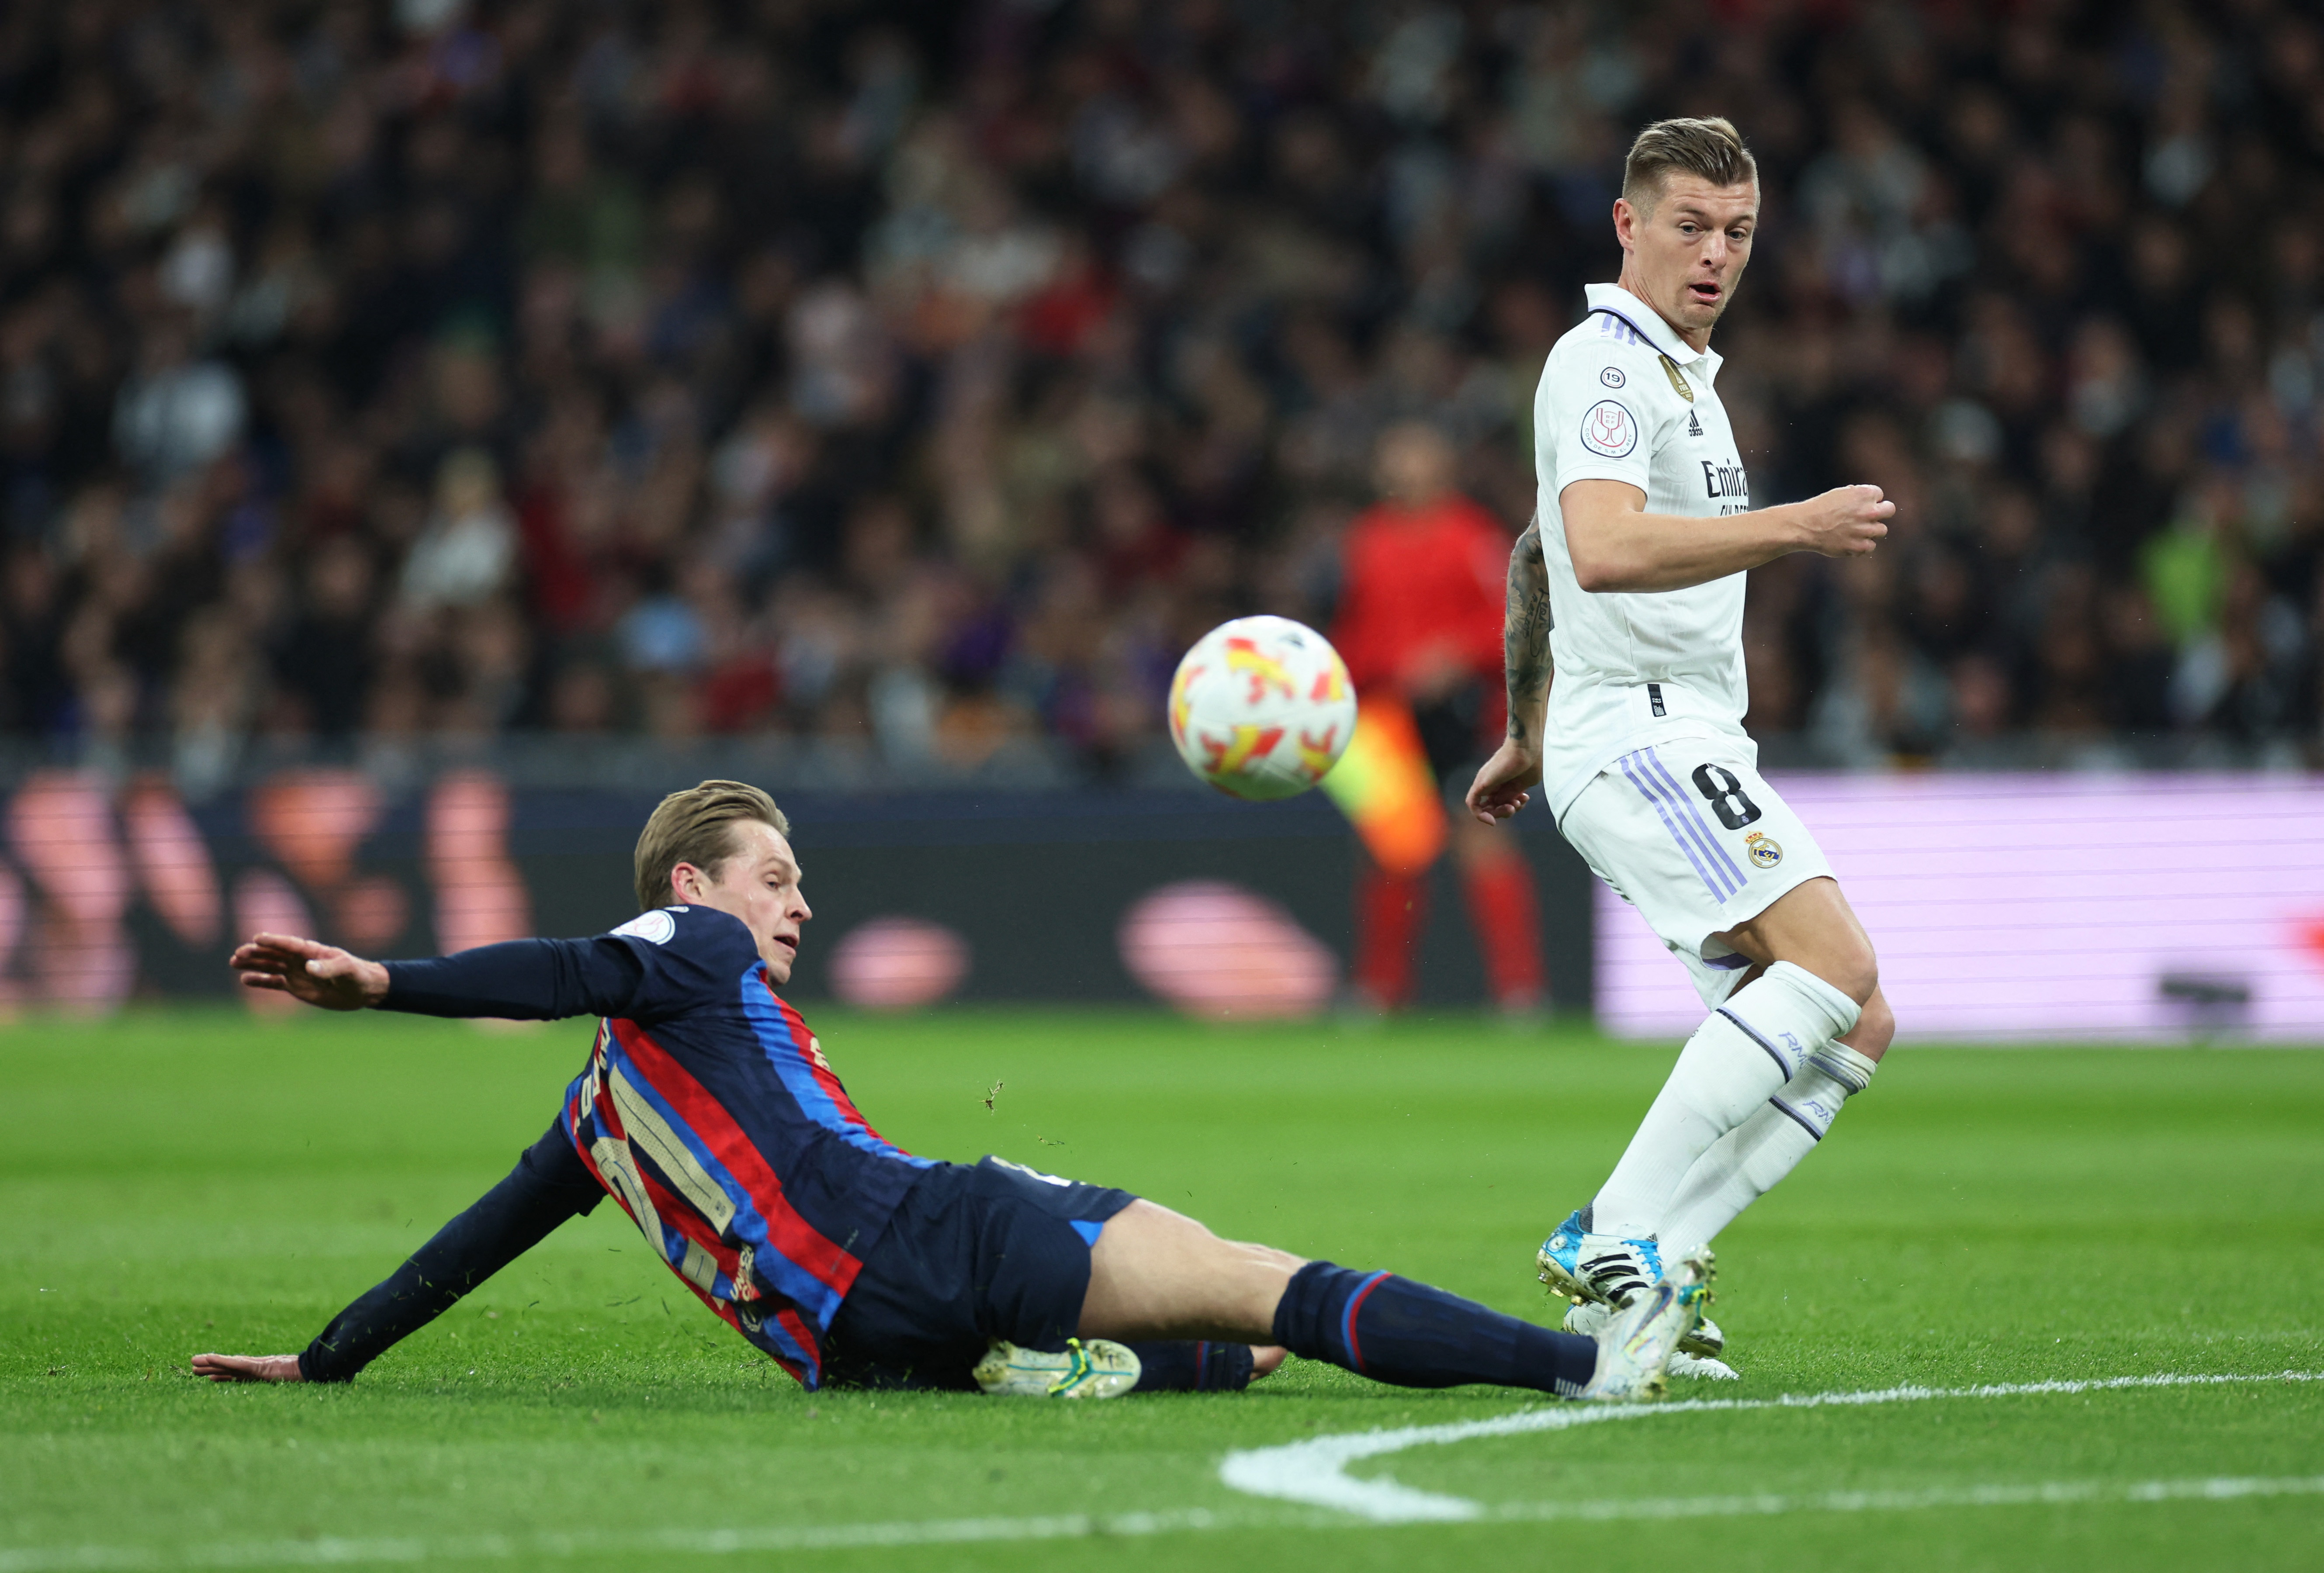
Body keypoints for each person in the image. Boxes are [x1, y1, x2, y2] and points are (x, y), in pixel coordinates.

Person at [194, 780, 1709, 1402]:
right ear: (690, 888)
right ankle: (1589, 1366)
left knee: (1214, 1351)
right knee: (1270, 1287)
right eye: (774, 876)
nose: (798, 902)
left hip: (851, 1350)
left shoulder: (601, 1120)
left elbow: (475, 1242)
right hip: (926, 1233)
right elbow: (566, 965)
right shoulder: (690, 946)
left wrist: (327, 1361)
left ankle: (1069, 1365)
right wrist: (382, 982)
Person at [1465, 118, 1898, 1375]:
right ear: (1628, 225)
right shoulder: (1606, 365)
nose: (1716, 255)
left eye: (1738, 232)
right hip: (1643, 726)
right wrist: (1797, 526)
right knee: (1833, 964)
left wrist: (1524, 728)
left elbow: (1539, 552)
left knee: (1859, 1019)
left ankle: (1651, 1277)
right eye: (1691, 227)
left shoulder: (1678, 377)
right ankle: (1614, 1235)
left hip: (1658, 728)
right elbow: (1600, 549)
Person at [1327, 421, 1548, 1015]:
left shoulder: (1470, 535)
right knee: (1390, 850)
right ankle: (1380, 990)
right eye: (1397, 459)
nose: (1406, 470)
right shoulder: (1367, 539)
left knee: (1481, 841)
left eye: (1417, 457)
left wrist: (1455, 655)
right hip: (1388, 718)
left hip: (1461, 713)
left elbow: (1513, 616)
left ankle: (1519, 990)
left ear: (1443, 467)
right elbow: (1356, 626)